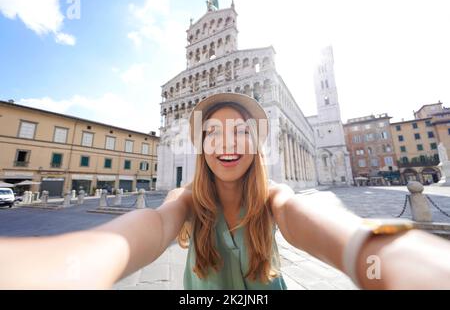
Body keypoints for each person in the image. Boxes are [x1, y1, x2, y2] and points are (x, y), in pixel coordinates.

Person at [0, 93, 450, 289]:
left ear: (256, 144)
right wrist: (73, 264)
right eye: (213, 133)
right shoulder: (184, 200)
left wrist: (380, 254)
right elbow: (150, 227)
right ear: (201, 145)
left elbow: (320, 226)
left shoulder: (275, 198)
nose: (227, 142)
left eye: (240, 131)